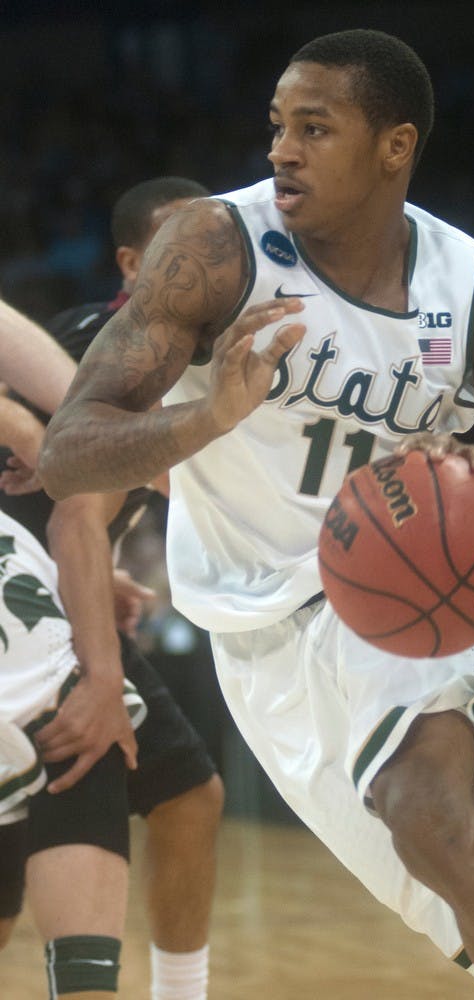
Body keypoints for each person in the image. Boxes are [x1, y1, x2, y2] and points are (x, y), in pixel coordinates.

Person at [40, 29, 474, 1000]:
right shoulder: (215, 247)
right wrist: (213, 413)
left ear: (395, 147)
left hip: (403, 597)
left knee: (431, 817)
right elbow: (68, 453)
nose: (280, 151)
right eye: (276, 126)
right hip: (256, 635)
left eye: (314, 127)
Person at [2, 179, 224, 1000]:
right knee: (83, 775)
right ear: (132, 263)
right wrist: (101, 671)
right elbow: (73, 517)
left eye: (218, 242)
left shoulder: (101, 335)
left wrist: (102, 571)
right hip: (30, 613)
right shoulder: (128, 349)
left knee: (191, 794)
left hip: (48, 586)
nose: (205, 261)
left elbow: (69, 508)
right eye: (180, 243)